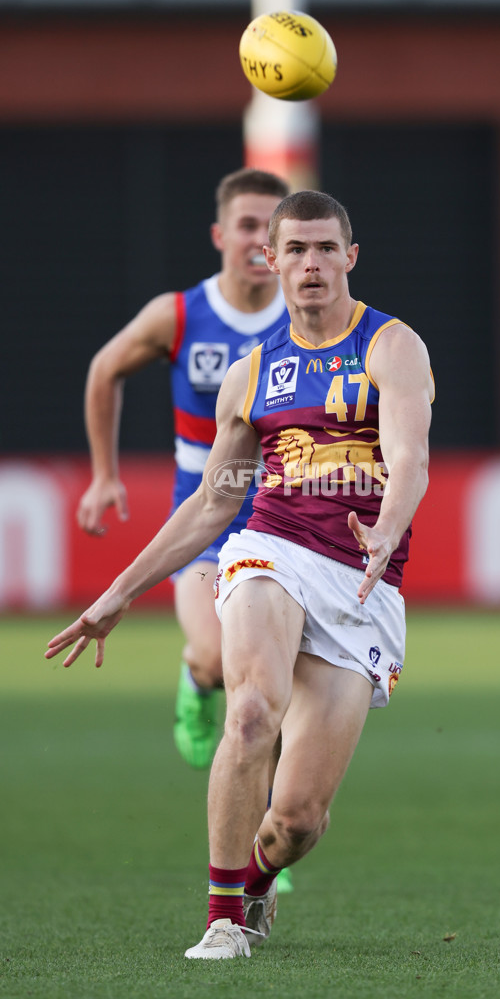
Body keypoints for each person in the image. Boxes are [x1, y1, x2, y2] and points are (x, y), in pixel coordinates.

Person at [47, 189, 434, 960]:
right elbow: (210, 507)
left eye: (327, 249)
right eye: (296, 250)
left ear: (350, 258)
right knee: (252, 711)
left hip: (361, 581)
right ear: (272, 260)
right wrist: (119, 592)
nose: (312, 264)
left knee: (297, 822)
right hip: (272, 548)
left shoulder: (392, 346)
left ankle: (256, 882)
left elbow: (411, 456)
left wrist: (389, 526)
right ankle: (223, 917)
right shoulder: (253, 375)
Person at [76, 167, 290, 776]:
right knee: (216, 657)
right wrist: (102, 474)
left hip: (283, 520)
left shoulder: (309, 320)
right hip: (205, 520)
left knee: (271, 684)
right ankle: (196, 682)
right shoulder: (179, 314)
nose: (258, 241)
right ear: (219, 234)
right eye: (246, 226)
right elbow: (104, 369)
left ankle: (266, 852)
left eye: (270, 230)